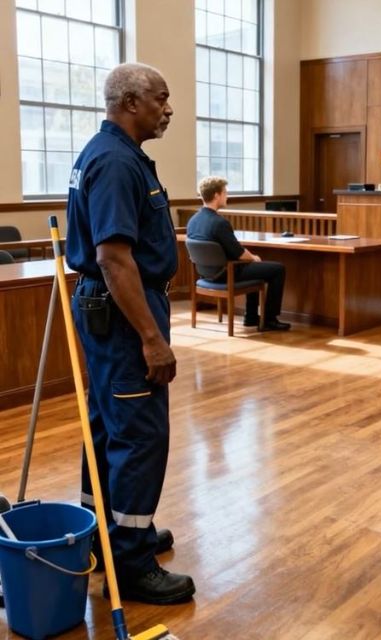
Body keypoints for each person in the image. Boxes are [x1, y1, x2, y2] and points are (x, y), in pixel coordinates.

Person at [66, 62, 195, 605]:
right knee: (139, 435)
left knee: (108, 426)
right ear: (130, 102)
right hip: (124, 313)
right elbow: (115, 258)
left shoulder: (114, 153)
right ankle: (130, 563)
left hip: (111, 308)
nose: (169, 109)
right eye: (161, 99)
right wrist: (152, 339)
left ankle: (110, 535)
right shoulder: (117, 162)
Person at [187, 176, 291, 331]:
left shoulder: (193, 221)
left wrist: (249, 258)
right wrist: (254, 257)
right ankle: (269, 319)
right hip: (225, 274)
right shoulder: (219, 223)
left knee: (253, 267)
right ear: (216, 195)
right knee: (277, 269)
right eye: (225, 192)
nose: (227, 196)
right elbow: (240, 254)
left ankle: (251, 317)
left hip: (206, 274)